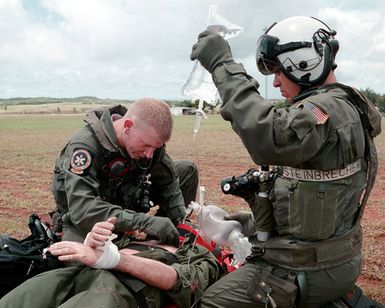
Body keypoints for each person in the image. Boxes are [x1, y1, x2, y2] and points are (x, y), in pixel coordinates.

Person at [190, 16, 382, 307]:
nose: (276, 82)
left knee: (210, 301)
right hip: (334, 257)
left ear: (303, 63)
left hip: (306, 269)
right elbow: (316, 201)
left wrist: (221, 63)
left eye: (280, 72)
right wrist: (254, 224)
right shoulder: (345, 105)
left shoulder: (323, 112)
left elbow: (268, 137)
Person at [51, 97, 199, 246]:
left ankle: (158, 236)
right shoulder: (85, 146)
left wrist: (180, 220)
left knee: (187, 170)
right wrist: (142, 222)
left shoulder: (148, 144)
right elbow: (82, 210)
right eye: (146, 145)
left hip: (126, 199)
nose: (149, 154)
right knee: (81, 260)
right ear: (128, 126)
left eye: (155, 147)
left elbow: (168, 184)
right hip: (88, 217)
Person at [0, 217, 223, 308]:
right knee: (18, 301)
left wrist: (114, 259)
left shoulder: (202, 256)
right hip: (76, 275)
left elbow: (177, 280)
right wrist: (94, 241)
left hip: (117, 290)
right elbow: (101, 250)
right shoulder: (140, 237)